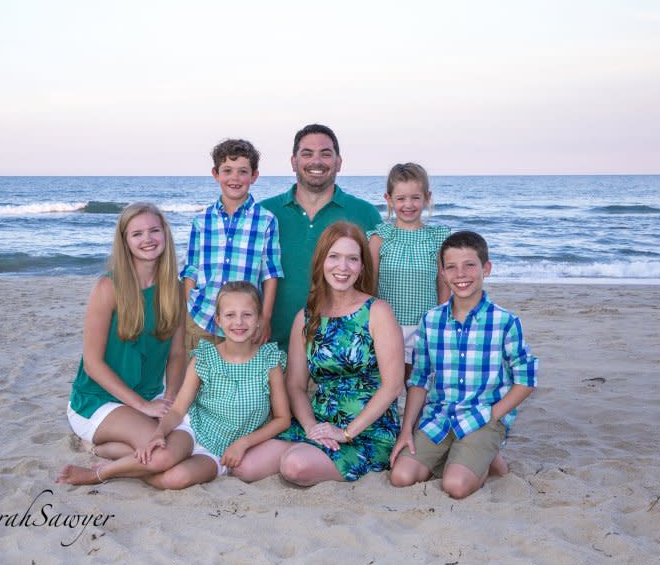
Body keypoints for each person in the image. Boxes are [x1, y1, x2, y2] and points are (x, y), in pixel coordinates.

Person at [57, 282, 290, 488]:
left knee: (173, 479)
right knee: (160, 459)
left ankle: (109, 451)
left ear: (259, 319)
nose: (238, 322)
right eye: (230, 315)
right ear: (218, 320)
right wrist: (159, 433)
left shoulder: (269, 361)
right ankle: (97, 474)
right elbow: (179, 409)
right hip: (194, 430)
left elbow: (282, 419)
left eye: (247, 315)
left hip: (223, 450)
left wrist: (243, 443)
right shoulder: (205, 357)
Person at [234, 222, 404, 485]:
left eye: (352, 259)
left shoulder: (377, 312)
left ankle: (320, 455)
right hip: (319, 422)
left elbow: (392, 387)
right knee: (245, 468)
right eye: (334, 257)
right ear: (321, 261)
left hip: (367, 429)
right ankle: (311, 449)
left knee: (294, 466)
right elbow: (296, 385)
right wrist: (311, 427)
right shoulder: (305, 317)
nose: (342, 267)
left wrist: (346, 433)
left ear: (361, 267)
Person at [389, 231, 539, 499]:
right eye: (452, 267)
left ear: (486, 268)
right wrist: (406, 431)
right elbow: (420, 380)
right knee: (401, 477)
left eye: (470, 265)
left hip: (483, 416)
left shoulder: (505, 321)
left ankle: (482, 455)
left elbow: (526, 380)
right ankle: (473, 455)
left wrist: (494, 414)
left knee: (455, 486)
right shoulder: (431, 321)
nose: (461, 274)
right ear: (443, 274)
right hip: (440, 416)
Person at [60, 202, 186, 469]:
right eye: (137, 234)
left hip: (152, 397)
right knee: (162, 454)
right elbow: (93, 365)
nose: (148, 239)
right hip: (97, 401)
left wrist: (171, 399)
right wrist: (143, 407)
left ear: (165, 234)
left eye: (154, 230)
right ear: (125, 241)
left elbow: (176, 355)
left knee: (189, 442)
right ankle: (99, 451)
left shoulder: (174, 289)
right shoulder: (108, 287)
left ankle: (102, 448)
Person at [259, 124, 382, 350]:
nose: (316, 161)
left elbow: (379, 283)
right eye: (307, 153)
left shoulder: (365, 214)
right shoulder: (263, 213)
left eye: (326, 154)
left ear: (339, 162)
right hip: (268, 353)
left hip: (339, 360)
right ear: (293, 162)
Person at [181, 138, 283, 351]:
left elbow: (270, 273)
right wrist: (188, 307)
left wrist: (265, 317)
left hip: (244, 323)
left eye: (242, 171)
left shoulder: (266, 220)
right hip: (203, 317)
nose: (235, 178)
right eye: (227, 170)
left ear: (254, 176)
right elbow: (191, 269)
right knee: (200, 380)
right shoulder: (202, 220)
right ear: (216, 174)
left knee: (242, 379)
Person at [367, 162, 451, 378]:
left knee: (418, 388)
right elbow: (370, 287)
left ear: (427, 197)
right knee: (389, 386)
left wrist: (441, 325)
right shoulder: (379, 238)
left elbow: (443, 287)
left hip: (425, 327)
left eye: (415, 197)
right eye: (401, 198)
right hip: (387, 327)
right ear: (389, 199)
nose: (408, 205)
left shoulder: (437, 238)